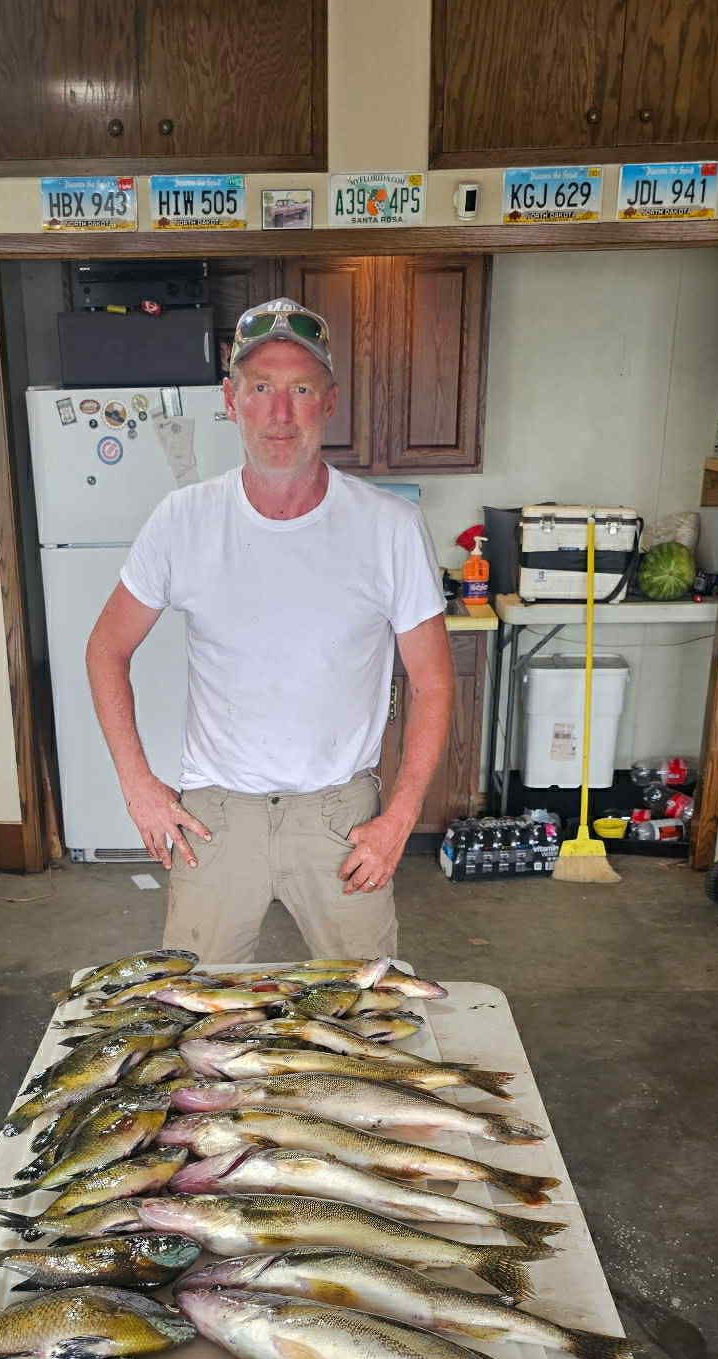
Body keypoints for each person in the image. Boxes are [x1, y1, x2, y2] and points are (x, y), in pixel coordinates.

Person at [84, 296, 454, 963]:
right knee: (200, 1018)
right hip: (216, 818)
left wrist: (398, 821)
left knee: (362, 1015)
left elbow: (432, 681)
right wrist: (139, 786)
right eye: (260, 389)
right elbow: (106, 648)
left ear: (329, 402)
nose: (279, 415)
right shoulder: (183, 520)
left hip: (341, 818)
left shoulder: (388, 528)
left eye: (300, 390)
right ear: (231, 400)